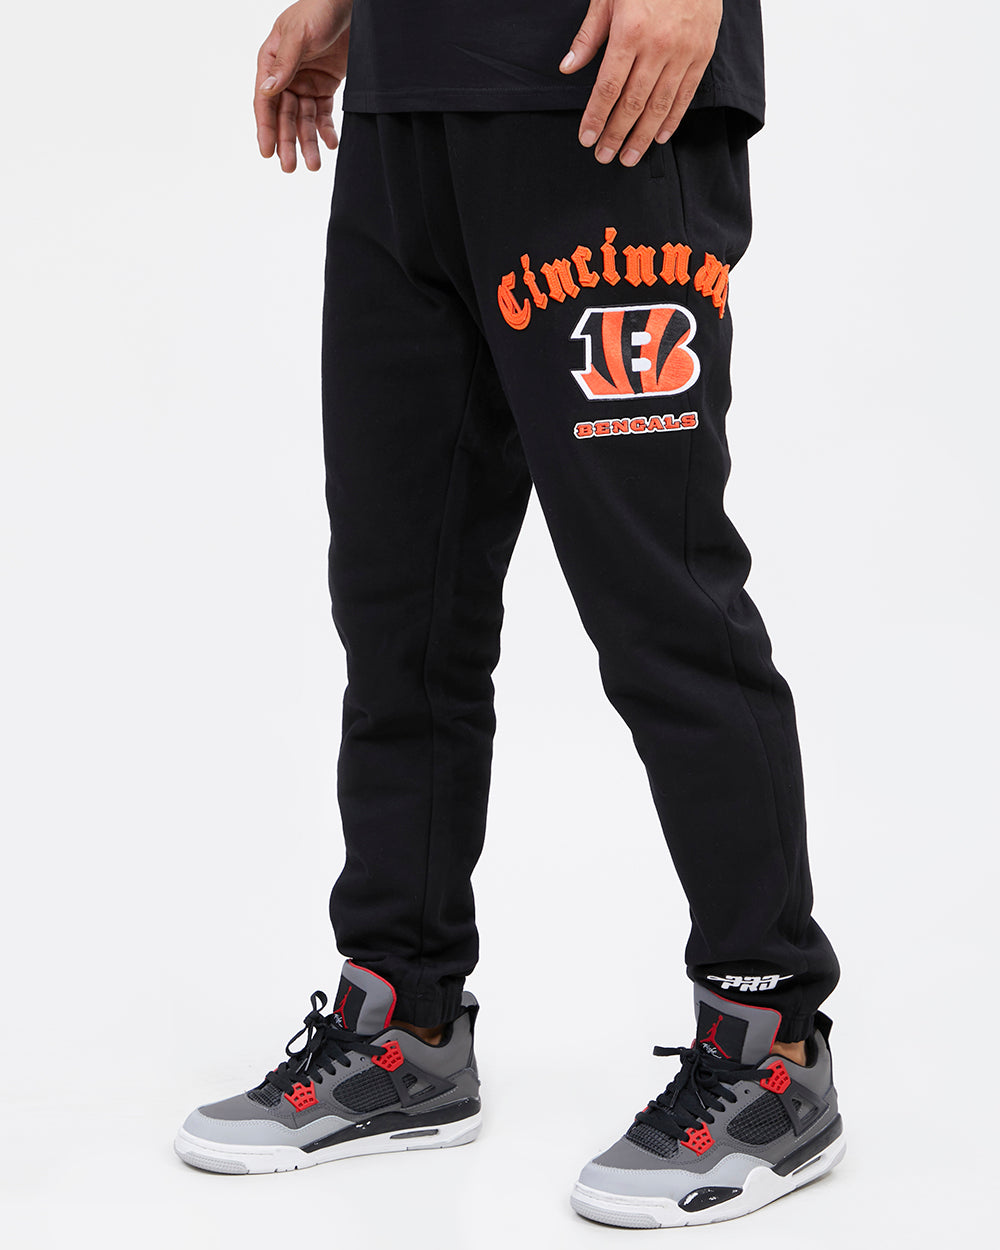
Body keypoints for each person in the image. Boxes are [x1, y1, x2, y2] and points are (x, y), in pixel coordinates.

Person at [175, 0, 844, 1227]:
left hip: (601, 100)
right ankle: (403, 1024)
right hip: (407, 107)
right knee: (399, 607)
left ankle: (772, 1047)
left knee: (661, 605)